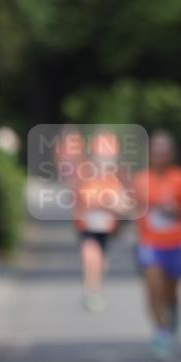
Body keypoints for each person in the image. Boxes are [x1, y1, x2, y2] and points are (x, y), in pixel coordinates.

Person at [132, 131, 181, 360]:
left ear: (171, 154)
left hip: (176, 243)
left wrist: (174, 211)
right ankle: (161, 331)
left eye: (164, 151)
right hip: (149, 244)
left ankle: (173, 313)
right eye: (156, 150)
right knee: (153, 288)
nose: (160, 155)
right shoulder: (140, 180)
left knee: (170, 292)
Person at [73, 130, 132, 312]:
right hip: (87, 227)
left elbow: (127, 205)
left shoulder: (117, 178)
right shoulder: (84, 175)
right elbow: (78, 200)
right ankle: (91, 292)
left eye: (109, 156)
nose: (105, 160)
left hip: (107, 228)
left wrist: (117, 206)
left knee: (100, 261)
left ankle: (94, 289)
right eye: (101, 155)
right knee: (90, 255)